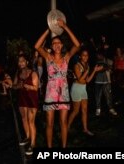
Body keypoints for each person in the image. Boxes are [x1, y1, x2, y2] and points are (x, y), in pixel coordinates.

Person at [34, 18, 80, 148]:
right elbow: (37, 46)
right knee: (49, 123)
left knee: (63, 122)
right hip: (51, 95)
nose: (57, 45)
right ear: (51, 47)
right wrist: (49, 29)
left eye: (59, 43)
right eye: (54, 43)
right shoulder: (48, 58)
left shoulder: (67, 57)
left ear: (62, 45)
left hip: (64, 94)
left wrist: (65, 27)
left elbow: (77, 45)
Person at [68, 48, 103, 136]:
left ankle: (85, 129)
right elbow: (80, 79)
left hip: (83, 89)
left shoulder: (87, 65)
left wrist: (94, 70)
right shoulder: (76, 65)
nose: (85, 57)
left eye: (87, 55)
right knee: (76, 111)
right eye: (83, 55)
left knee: (84, 110)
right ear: (80, 56)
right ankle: (67, 126)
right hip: (76, 88)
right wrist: (87, 71)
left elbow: (87, 80)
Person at [12, 55, 39, 155]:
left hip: (32, 99)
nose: (21, 63)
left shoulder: (33, 73)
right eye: (19, 62)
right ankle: (28, 137)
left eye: (23, 61)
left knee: (31, 121)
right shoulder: (18, 73)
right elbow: (13, 86)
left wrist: (27, 86)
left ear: (27, 62)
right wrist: (17, 86)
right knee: (24, 118)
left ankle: (33, 144)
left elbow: (36, 88)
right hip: (22, 99)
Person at [94, 51, 118, 116]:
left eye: (99, 55)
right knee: (98, 96)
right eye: (97, 55)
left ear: (102, 55)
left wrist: (104, 67)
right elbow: (94, 71)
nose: (98, 56)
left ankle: (111, 108)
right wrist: (102, 68)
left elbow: (112, 68)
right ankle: (98, 109)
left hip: (107, 81)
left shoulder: (108, 61)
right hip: (97, 81)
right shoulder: (95, 61)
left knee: (108, 96)